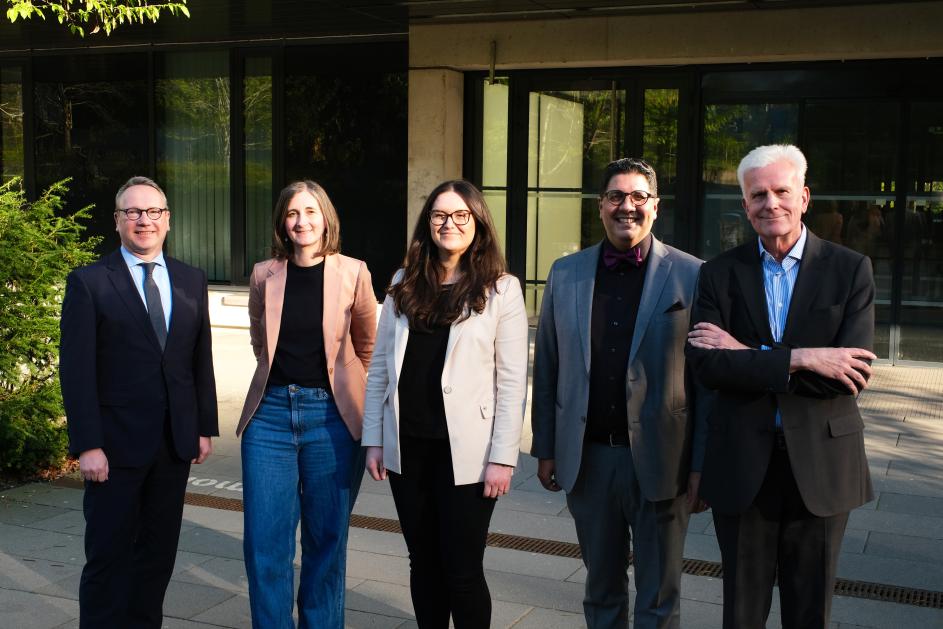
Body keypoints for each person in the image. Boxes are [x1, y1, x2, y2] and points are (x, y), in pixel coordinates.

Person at [686, 144, 877, 629]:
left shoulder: (850, 269)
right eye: (757, 195)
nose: (770, 203)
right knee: (742, 614)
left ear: (805, 197)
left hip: (820, 466)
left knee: (809, 612)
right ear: (745, 205)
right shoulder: (719, 273)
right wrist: (805, 357)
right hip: (743, 466)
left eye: (781, 191)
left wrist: (747, 354)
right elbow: (708, 367)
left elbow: (845, 380)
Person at [531, 157, 709, 629]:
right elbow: (547, 366)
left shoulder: (691, 275)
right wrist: (545, 448)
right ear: (600, 206)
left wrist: (700, 465)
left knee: (658, 598)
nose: (625, 206)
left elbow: (705, 382)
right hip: (589, 462)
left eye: (637, 197)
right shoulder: (565, 273)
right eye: (615, 196)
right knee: (601, 591)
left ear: (656, 207)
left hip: (662, 461)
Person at [362, 179, 528, 629]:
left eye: (460, 216)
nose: (449, 224)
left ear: (477, 223)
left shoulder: (501, 289)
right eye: (439, 215)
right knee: (422, 562)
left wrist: (503, 458)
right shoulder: (402, 281)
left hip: (469, 455)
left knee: (462, 568)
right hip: (408, 445)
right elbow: (380, 367)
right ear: (427, 223)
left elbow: (513, 381)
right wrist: (373, 439)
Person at [60, 176, 218, 629]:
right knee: (108, 560)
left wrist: (203, 425)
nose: (143, 220)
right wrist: (87, 444)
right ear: (117, 221)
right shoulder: (89, 282)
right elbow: (76, 370)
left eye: (153, 212)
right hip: (113, 449)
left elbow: (198, 357)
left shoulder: (191, 279)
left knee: (157, 557)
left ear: (167, 221)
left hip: (172, 446)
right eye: (133, 212)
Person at [235, 180, 377, 628]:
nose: (302, 221)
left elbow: (369, 348)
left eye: (311, 212)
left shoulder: (354, 272)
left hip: (331, 420)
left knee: (326, 542)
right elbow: (261, 342)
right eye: (294, 213)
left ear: (326, 218)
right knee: (266, 544)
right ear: (282, 220)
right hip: (270, 417)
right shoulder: (263, 274)